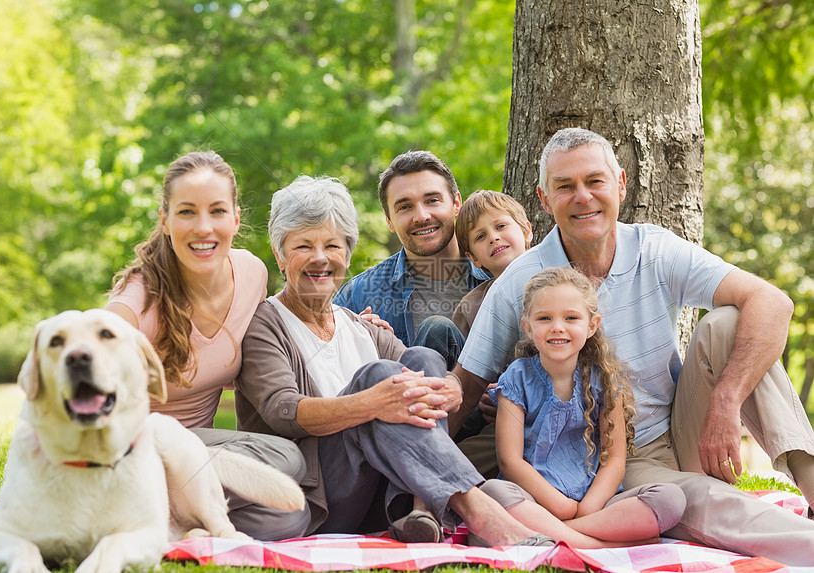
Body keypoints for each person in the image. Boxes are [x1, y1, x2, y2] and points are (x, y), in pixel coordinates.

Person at [451, 127, 814, 565]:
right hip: (610, 460)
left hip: (680, 427)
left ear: (620, 183)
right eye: (565, 186)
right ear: (544, 200)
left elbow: (773, 302)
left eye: (595, 181)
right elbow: (466, 385)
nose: (583, 197)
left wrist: (725, 403)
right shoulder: (519, 281)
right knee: (707, 503)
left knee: (736, 322)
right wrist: (424, 471)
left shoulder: (655, 249)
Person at [235, 174, 632, 549]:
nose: (320, 258)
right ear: (279, 254)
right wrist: (371, 402)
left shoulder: (361, 327)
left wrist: (471, 393)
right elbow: (281, 411)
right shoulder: (266, 323)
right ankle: (474, 507)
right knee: (380, 376)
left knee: (423, 358)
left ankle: (422, 508)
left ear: (347, 252)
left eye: (333, 245)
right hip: (314, 497)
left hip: (378, 498)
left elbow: (430, 384)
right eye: (304, 246)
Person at [106, 150, 310, 540]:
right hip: (135, 453)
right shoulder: (140, 296)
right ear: (165, 220)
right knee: (286, 459)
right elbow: (95, 343)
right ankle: (143, 512)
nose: (203, 228)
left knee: (288, 520)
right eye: (186, 212)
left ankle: (167, 523)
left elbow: (278, 332)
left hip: (196, 468)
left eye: (216, 211)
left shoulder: (251, 272)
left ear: (235, 217)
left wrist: (354, 322)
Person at [488, 266, 685, 544]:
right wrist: (561, 507)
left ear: (592, 325)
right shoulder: (517, 378)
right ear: (528, 326)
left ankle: (560, 538)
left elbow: (614, 460)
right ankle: (598, 545)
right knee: (494, 492)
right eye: (544, 318)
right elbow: (510, 461)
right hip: (535, 500)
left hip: (594, 504)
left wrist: (586, 508)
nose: (558, 327)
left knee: (669, 499)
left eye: (571, 317)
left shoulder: (604, 379)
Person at [333, 150, 489, 370]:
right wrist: (355, 345)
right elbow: (322, 366)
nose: (422, 216)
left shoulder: (499, 274)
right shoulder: (359, 295)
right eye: (405, 207)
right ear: (389, 221)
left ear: (456, 204)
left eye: (432, 200)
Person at [450, 190, 532, 465]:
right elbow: (467, 372)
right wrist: (486, 395)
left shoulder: (558, 280)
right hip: (498, 421)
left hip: (554, 406)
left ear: (526, 231)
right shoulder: (471, 305)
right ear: (474, 259)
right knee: (460, 461)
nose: (493, 237)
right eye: (480, 236)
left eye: (500, 226)